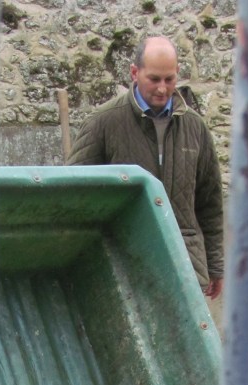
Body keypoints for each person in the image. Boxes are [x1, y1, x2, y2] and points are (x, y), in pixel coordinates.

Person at [67, 36, 224, 300]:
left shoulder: (195, 127)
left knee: (187, 342)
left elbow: (210, 201)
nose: (163, 89)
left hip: (185, 265)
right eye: (154, 79)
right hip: (124, 266)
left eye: (169, 79)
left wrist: (216, 264)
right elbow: (74, 194)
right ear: (134, 72)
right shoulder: (104, 123)